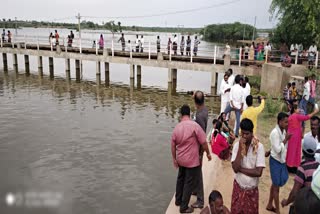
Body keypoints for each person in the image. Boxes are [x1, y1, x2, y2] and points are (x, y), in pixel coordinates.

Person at [171, 104, 211, 213]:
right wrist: (208, 154)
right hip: (191, 161)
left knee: (180, 179)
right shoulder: (194, 126)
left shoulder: (177, 127)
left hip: (180, 159)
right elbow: (203, 142)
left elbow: (173, 145)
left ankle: (178, 200)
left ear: (180, 115)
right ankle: (183, 207)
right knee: (188, 182)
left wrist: (174, 159)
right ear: (189, 114)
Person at [231, 118, 266, 214]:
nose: (245, 136)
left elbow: (258, 172)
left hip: (251, 191)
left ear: (252, 133)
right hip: (238, 188)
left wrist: (240, 169)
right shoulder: (237, 146)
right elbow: (235, 169)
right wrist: (240, 149)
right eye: (243, 133)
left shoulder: (259, 147)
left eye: (247, 134)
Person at [281, 137, 320, 210]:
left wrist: (286, 202)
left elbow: (294, 193)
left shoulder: (302, 168)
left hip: (303, 204)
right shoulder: (318, 166)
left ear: (303, 150)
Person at [266, 112, 291, 214]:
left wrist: (270, 149)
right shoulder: (275, 133)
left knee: (276, 183)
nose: (287, 124)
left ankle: (269, 204)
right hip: (275, 161)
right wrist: (285, 140)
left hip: (281, 161)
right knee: (276, 188)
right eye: (285, 122)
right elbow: (277, 149)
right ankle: (278, 210)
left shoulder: (283, 131)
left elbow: (276, 145)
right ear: (280, 122)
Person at [286, 104, 319, 172]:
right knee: (296, 152)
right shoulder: (296, 116)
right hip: (296, 138)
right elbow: (307, 117)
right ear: (295, 110)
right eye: (298, 109)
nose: (299, 110)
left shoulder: (290, 117)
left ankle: (289, 165)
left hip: (291, 137)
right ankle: (294, 167)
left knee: (291, 151)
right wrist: (315, 112)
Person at [192, 91, 208, 209]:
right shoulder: (204, 109)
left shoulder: (199, 116)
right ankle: (196, 189)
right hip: (198, 147)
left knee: (198, 172)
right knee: (195, 171)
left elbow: (201, 134)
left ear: (195, 102)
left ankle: (200, 200)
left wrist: (201, 151)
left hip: (198, 147)